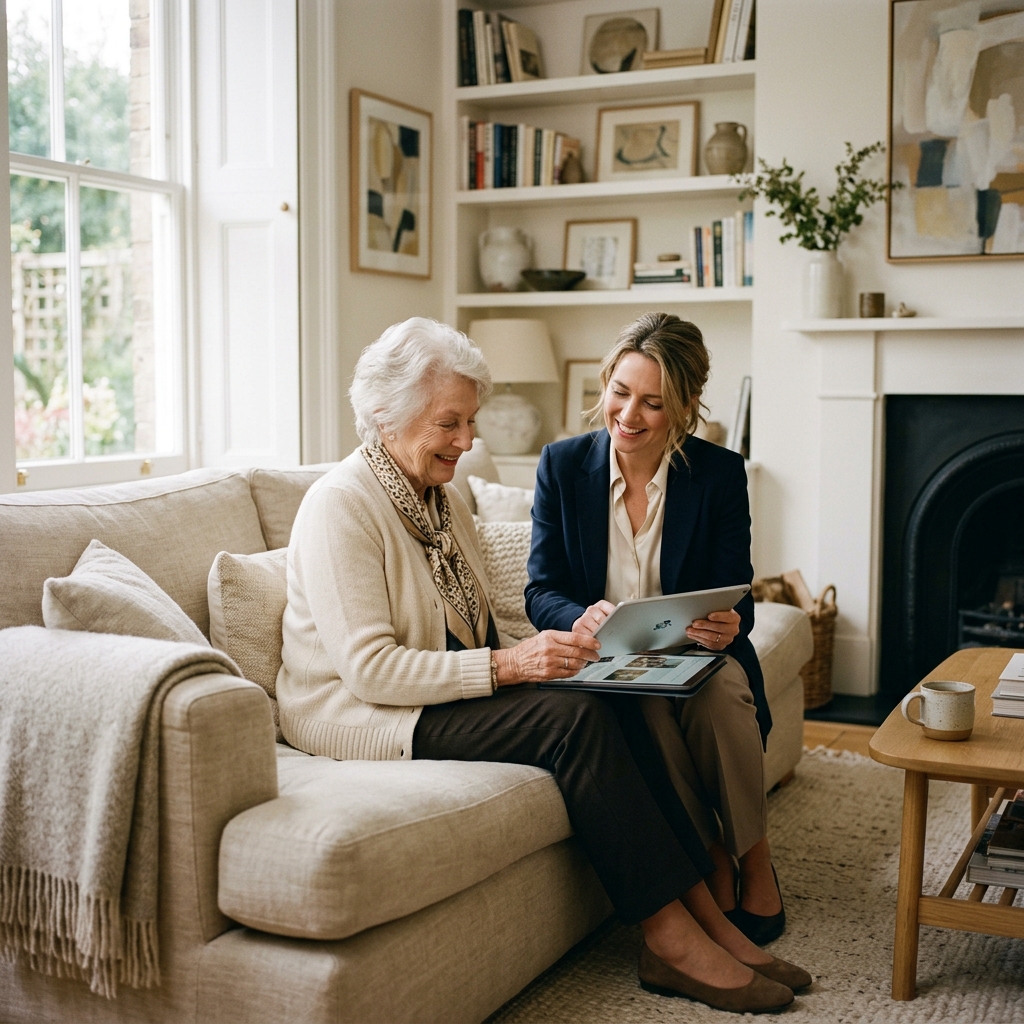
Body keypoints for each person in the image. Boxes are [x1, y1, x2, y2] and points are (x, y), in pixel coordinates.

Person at [277, 317, 809, 1013]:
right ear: (385, 415)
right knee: (575, 722)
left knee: (602, 694)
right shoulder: (341, 506)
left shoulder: (439, 498)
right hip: (368, 714)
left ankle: (711, 920)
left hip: (434, 691)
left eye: (470, 422)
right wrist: (510, 666)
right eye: (450, 423)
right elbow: (371, 672)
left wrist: (532, 662)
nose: (468, 442)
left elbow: (469, 629)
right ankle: (669, 938)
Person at [525, 311, 787, 946]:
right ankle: (709, 855)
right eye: (621, 392)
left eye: (653, 402)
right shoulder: (561, 466)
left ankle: (753, 857)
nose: (628, 415)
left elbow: (739, 594)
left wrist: (729, 624)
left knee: (718, 695)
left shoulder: (719, 473)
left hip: (696, 655)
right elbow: (540, 590)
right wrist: (577, 616)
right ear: (606, 383)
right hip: (606, 660)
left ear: (687, 406)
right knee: (645, 707)